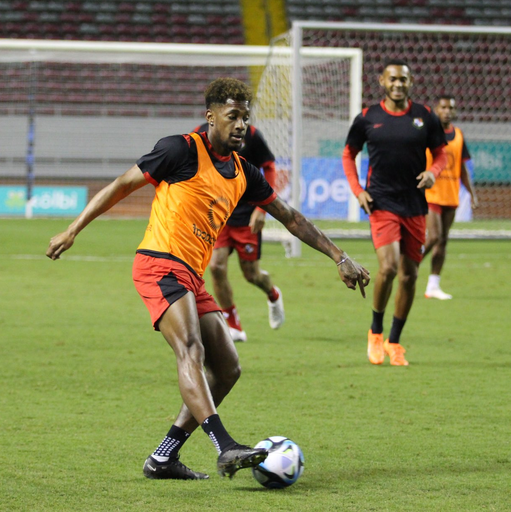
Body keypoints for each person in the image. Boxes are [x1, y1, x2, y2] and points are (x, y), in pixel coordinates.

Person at [46, 78, 370, 481]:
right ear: (211, 116)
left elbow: (290, 217)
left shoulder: (244, 172)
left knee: (228, 368)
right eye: (233, 116)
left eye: (245, 118)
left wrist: (340, 256)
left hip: (191, 277)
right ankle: (225, 446)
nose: (241, 125)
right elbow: (121, 186)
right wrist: (73, 230)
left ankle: (163, 458)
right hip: (159, 263)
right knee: (191, 349)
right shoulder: (180, 149)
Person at [342, 59, 447, 367]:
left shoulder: (424, 116)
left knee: (410, 275)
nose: (398, 84)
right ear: (382, 82)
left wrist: (433, 172)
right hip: (381, 202)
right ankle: (375, 332)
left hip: (414, 204)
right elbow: (349, 154)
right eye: (393, 79)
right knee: (387, 268)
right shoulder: (367, 118)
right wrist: (357, 190)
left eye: (403, 79)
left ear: (410, 82)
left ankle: (394, 341)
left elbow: (441, 153)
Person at [201, 121, 283, 342]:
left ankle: (273, 294)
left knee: (252, 275)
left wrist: (262, 209)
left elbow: (269, 166)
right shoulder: (201, 134)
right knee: (216, 267)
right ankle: (234, 326)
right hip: (219, 213)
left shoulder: (251, 135)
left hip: (247, 214)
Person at [423, 94, 478, 300]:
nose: (447, 111)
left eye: (450, 108)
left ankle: (433, 285)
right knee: (434, 236)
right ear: (436, 110)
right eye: (443, 107)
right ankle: (409, 265)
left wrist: (472, 194)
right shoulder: (427, 133)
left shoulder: (458, 135)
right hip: (431, 194)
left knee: (443, 241)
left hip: (451, 196)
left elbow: (462, 169)